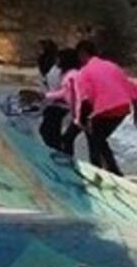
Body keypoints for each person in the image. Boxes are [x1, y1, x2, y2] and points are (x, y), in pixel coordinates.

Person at [61, 40, 137, 174]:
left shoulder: (85, 72)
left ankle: (101, 170)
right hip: (122, 109)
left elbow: (85, 100)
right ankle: (111, 171)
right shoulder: (112, 66)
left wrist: (82, 121)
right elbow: (132, 88)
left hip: (106, 110)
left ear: (82, 54)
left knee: (95, 138)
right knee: (98, 138)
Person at [43, 48, 83, 156]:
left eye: (58, 58)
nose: (56, 61)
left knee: (56, 134)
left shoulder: (72, 75)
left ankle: (62, 155)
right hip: (63, 106)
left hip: (67, 108)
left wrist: (76, 117)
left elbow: (71, 95)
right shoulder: (66, 73)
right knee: (56, 134)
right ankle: (59, 153)